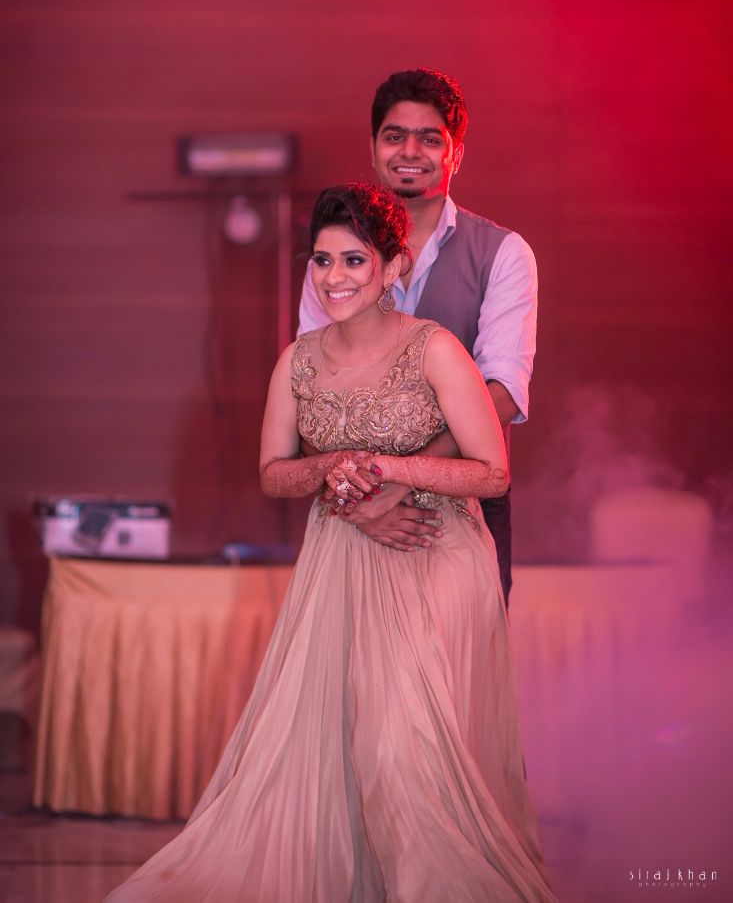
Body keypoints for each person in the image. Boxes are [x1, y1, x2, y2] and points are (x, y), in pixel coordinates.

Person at [105, 183, 554, 903]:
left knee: (398, 739)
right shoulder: (298, 361)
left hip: (432, 551)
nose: (334, 277)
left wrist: (388, 470)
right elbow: (273, 473)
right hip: (339, 557)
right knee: (337, 739)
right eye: (322, 260)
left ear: (392, 267)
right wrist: (335, 471)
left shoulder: (435, 349)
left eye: (354, 260)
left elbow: (492, 472)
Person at [298, 68, 537, 606]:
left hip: (464, 506)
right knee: (356, 660)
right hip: (350, 508)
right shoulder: (333, 261)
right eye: (395, 136)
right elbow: (307, 386)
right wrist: (361, 502)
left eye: (430, 138)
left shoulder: (504, 254)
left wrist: (402, 478)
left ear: (456, 154)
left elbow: (501, 391)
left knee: (459, 658)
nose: (410, 151)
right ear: (373, 147)